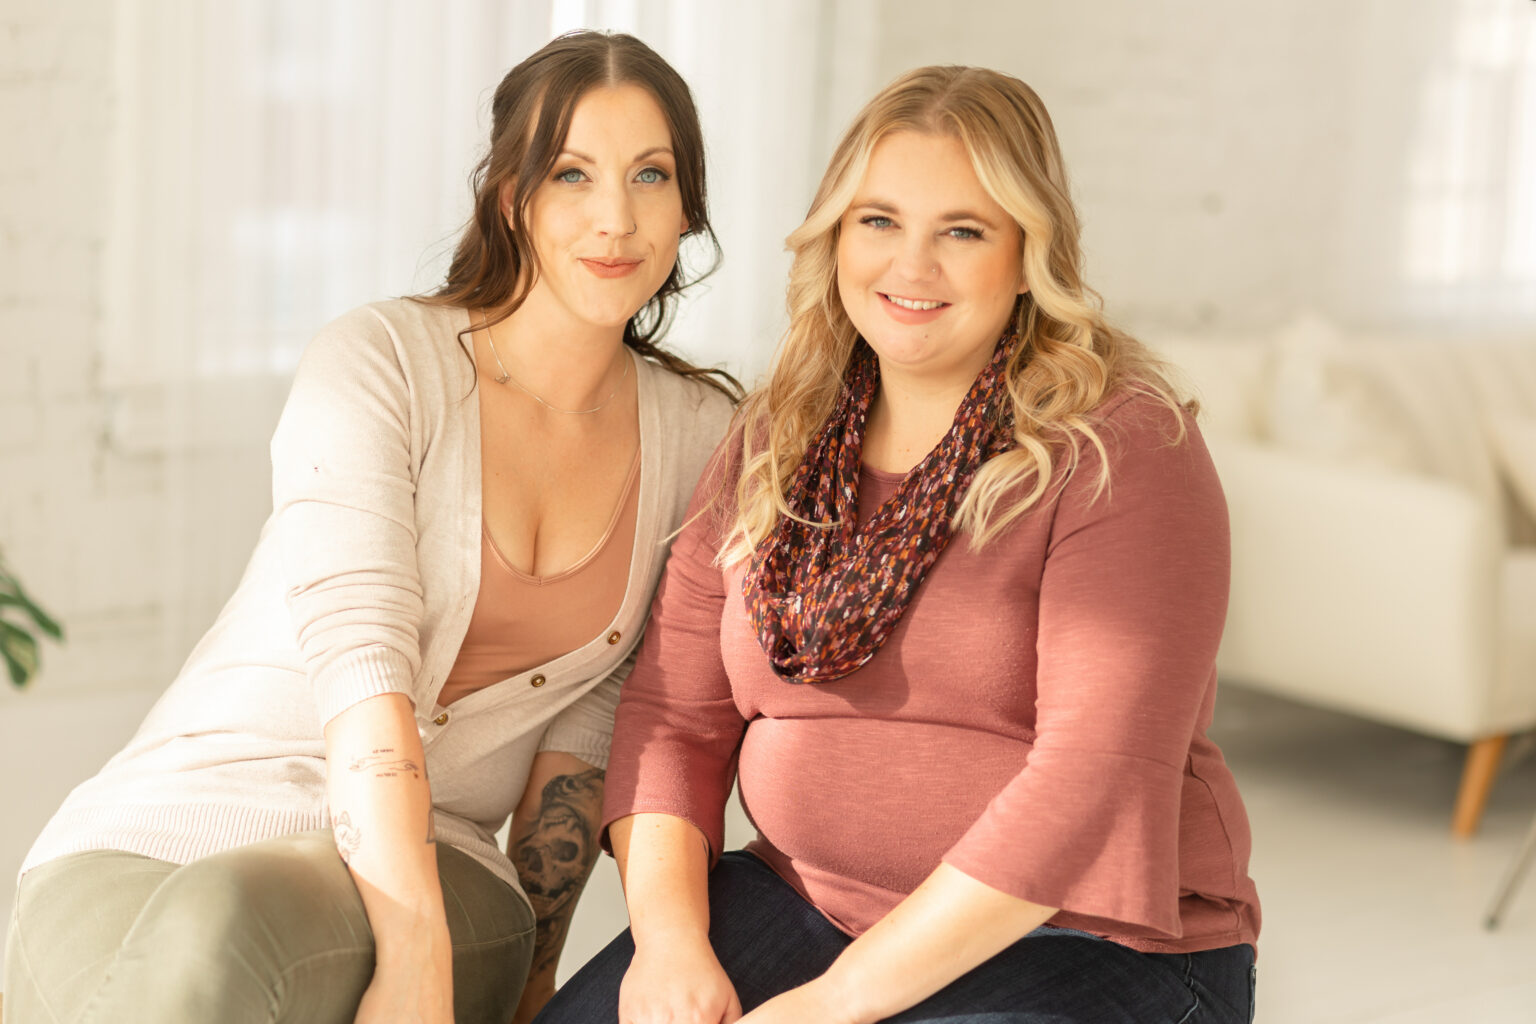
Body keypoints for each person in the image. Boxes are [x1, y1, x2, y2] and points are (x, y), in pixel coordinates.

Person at [4, 30, 737, 1024]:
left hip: (438, 864)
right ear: (513, 197)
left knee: (219, 930)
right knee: (137, 975)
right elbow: (362, 660)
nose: (616, 217)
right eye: (573, 173)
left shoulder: (700, 440)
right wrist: (414, 958)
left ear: (688, 203)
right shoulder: (380, 361)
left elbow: (588, 732)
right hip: (149, 832)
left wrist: (522, 989)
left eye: (650, 174)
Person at [535, 65, 1261, 1024]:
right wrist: (669, 947)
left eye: (962, 231)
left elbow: (1094, 781)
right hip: (807, 901)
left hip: (1085, 938)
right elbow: (675, 716)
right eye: (879, 222)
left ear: (1028, 251)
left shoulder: (1121, 446)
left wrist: (833, 1006)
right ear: (836, 238)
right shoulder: (773, 439)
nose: (910, 269)